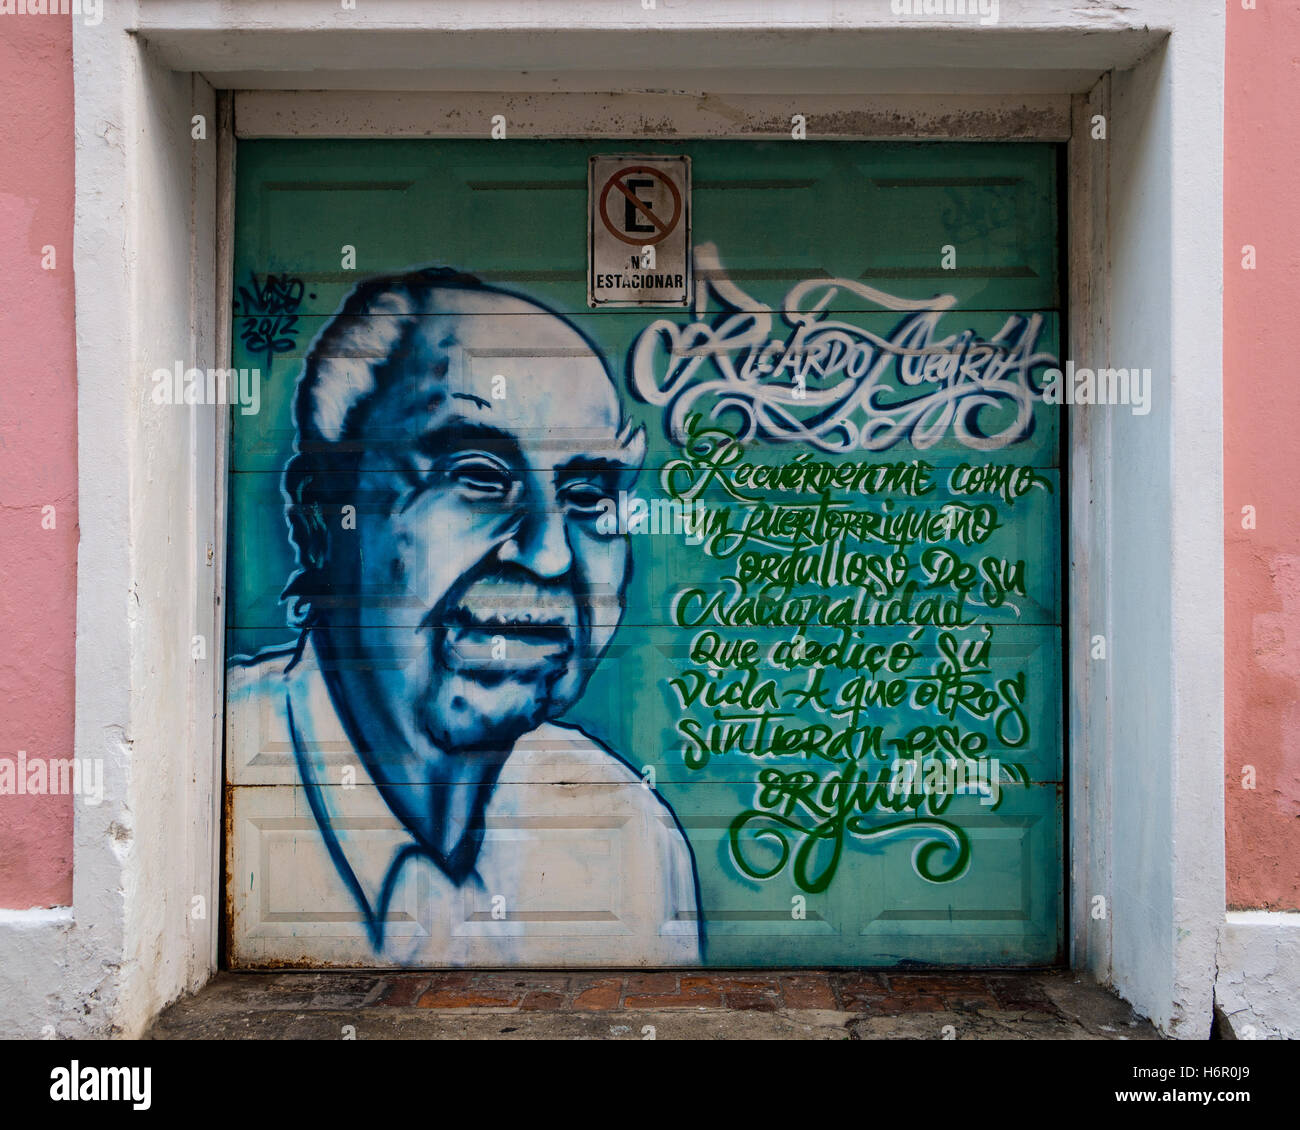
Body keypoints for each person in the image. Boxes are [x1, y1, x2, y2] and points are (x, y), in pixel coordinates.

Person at [226, 267, 702, 966]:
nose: (548, 554)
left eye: (587, 492)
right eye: (477, 476)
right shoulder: (195, 783)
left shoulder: (627, 832)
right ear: (323, 519)